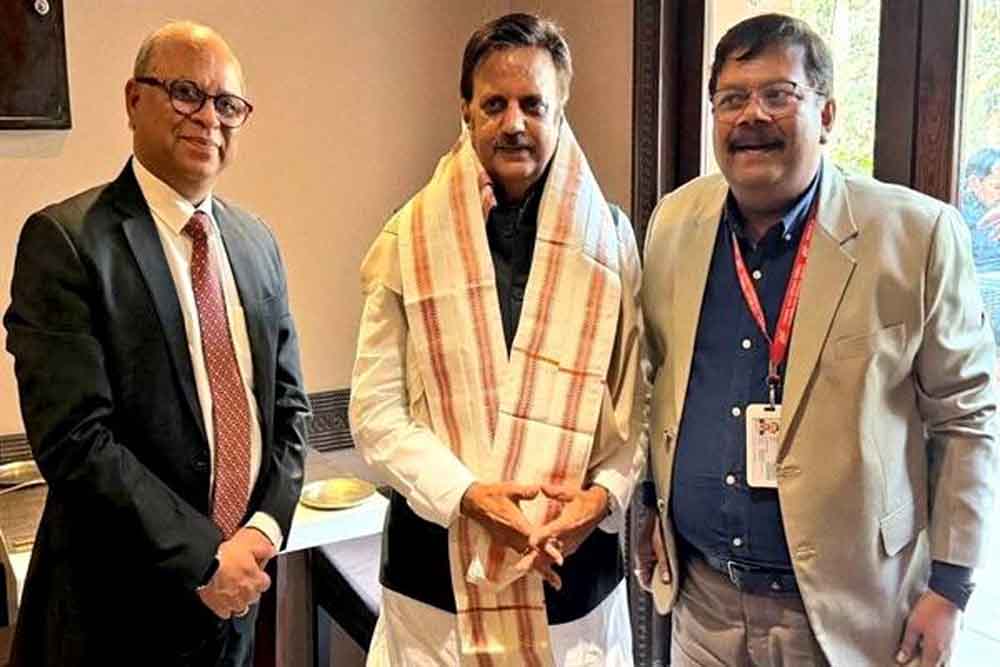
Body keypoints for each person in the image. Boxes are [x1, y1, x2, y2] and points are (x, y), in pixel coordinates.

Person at [635, 13, 997, 667]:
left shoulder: (916, 236)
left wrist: (950, 587)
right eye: (732, 98)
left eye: (779, 94)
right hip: (703, 607)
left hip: (851, 617)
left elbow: (966, 417)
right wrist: (649, 509)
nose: (752, 115)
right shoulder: (673, 222)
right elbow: (654, 378)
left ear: (826, 115)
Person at [3, 21, 310, 667]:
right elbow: (75, 440)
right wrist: (205, 557)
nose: (209, 118)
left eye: (227, 103)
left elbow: (289, 410)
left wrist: (262, 530)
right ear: (133, 100)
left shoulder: (257, 244)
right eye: (185, 93)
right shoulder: (66, 242)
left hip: (233, 608)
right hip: (116, 615)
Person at [349, 13, 645, 666]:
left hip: (572, 574)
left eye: (533, 104)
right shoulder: (409, 236)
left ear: (561, 109)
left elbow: (638, 405)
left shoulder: (611, 239)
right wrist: (468, 497)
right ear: (466, 111)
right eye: (494, 104)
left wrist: (601, 499)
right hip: (438, 582)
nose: (514, 123)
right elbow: (374, 412)